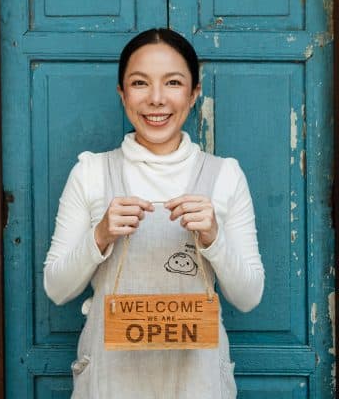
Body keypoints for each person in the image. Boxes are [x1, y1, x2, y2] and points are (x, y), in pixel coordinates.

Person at [43, 28, 265, 399]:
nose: (157, 99)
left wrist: (214, 238)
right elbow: (56, 289)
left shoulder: (225, 175)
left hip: (199, 383)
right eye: (140, 83)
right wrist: (99, 236)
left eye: (174, 82)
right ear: (122, 94)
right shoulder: (91, 173)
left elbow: (248, 296)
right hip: (109, 384)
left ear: (194, 94)